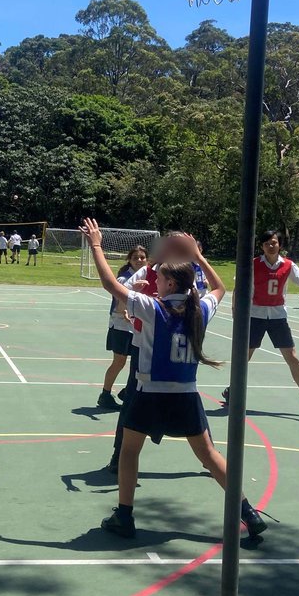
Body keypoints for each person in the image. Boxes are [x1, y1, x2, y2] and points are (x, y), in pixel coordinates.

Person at [81, 219, 267, 541]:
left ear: (168, 283)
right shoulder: (199, 310)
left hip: (149, 394)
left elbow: (110, 284)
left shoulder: (152, 308)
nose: (157, 282)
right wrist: (199, 257)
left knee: (129, 451)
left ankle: (124, 515)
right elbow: (220, 288)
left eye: (161, 278)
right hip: (186, 397)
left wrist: (97, 245)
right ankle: (248, 511)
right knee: (209, 456)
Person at [221, 229, 299, 416]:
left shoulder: (288, 265)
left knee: (292, 358)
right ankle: (232, 390)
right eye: (267, 244)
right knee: (244, 357)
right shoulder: (253, 264)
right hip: (255, 315)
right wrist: (235, 310)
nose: (271, 246)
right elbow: (239, 288)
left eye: (274, 242)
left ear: (279, 244)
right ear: (262, 247)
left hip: (278, 316)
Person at [107, 232, 198, 471]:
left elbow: (203, 300)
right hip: (145, 349)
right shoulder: (148, 271)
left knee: (188, 404)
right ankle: (119, 454)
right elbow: (120, 294)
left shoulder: (187, 273)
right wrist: (129, 301)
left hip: (177, 351)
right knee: (131, 405)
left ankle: (207, 454)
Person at [97, 244, 148, 410]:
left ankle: (128, 392)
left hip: (137, 327)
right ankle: (105, 394)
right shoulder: (124, 279)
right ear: (129, 260)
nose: (139, 260)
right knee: (119, 362)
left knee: (139, 362)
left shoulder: (147, 276)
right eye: (135, 258)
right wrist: (127, 312)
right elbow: (119, 305)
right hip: (121, 326)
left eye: (142, 257)